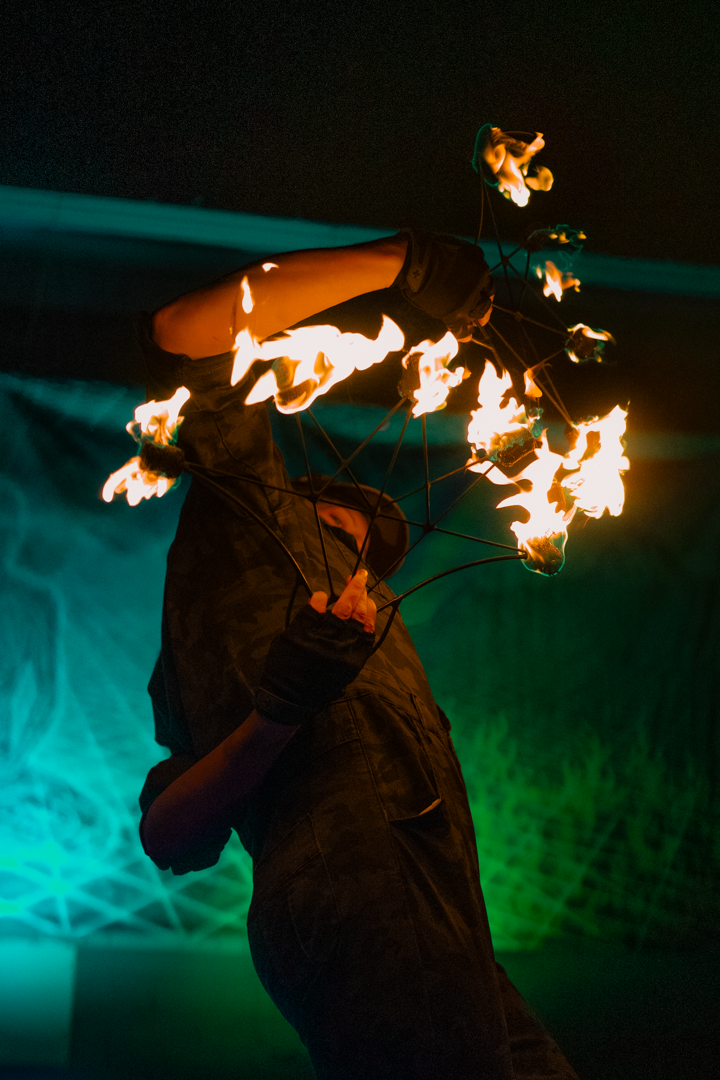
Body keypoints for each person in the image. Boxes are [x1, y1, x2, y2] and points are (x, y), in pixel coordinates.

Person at [137, 232, 578, 1080]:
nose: (366, 563)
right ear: (306, 504)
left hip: (449, 926)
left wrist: (282, 703)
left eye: (377, 557)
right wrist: (403, 263)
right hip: (359, 893)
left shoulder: (366, 633)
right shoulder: (254, 519)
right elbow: (184, 335)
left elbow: (171, 829)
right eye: (347, 528)